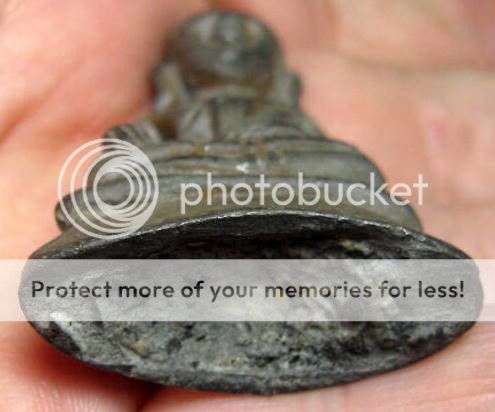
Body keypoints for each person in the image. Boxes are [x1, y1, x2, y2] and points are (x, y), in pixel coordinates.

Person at [0, 1, 494, 410]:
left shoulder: (281, 106)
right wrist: (144, 147)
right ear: (175, 67)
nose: (227, 39)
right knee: (121, 181)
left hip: (287, 166)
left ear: (274, 65)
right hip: (190, 172)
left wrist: (272, 150)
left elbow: (321, 156)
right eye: (209, 35)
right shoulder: (175, 109)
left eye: (243, 35)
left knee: (347, 164)